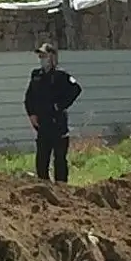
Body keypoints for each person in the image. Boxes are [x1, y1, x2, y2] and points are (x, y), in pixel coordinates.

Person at [24, 43, 82, 183]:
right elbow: (29, 97)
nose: (42, 58)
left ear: (52, 56)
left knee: (60, 158)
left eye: (44, 55)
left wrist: (60, 106)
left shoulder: (61, 75)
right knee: (42, 158)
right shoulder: (36, 75)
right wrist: (31, 114)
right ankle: (43, 185)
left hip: (58, 123)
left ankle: (62, 187)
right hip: (42, 123)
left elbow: (76, 89)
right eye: (40, 56)